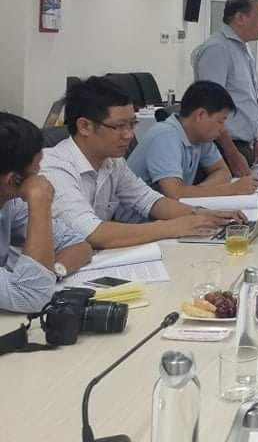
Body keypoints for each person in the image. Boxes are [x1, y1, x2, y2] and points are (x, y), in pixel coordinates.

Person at [41, 77, 243, 250]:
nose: (129, 135)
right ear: (85, 126)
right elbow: (93, 233)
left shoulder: (113, 162)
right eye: (120, 126)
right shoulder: (55, 168)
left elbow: (150, 201)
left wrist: (204, 214)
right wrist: (174, 226)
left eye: (132, 124)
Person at [0, 113, 92, 312]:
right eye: (36, 172)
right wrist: (39, 200)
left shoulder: (8, 203)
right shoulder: (19, 196)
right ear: (13, 180)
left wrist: (52, 272)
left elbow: (79, 244)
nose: (41, 177)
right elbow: (31, 297)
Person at [127, 81, 258, 199]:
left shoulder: (201, 138)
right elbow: (175, 194)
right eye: (220, 121)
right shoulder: (165, 136)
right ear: (201, 115)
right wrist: (230, 189)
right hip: (138, 217)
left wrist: (195, 192)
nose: (223, 129)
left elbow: (223, 172)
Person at [192, 0, 258, 176]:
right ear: (240, 18)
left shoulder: (243, 49)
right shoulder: (217, 49)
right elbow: (211, 108)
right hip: (225, 147)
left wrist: (256, 142)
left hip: (245, 146)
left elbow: (246, 100)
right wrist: (232, 154)